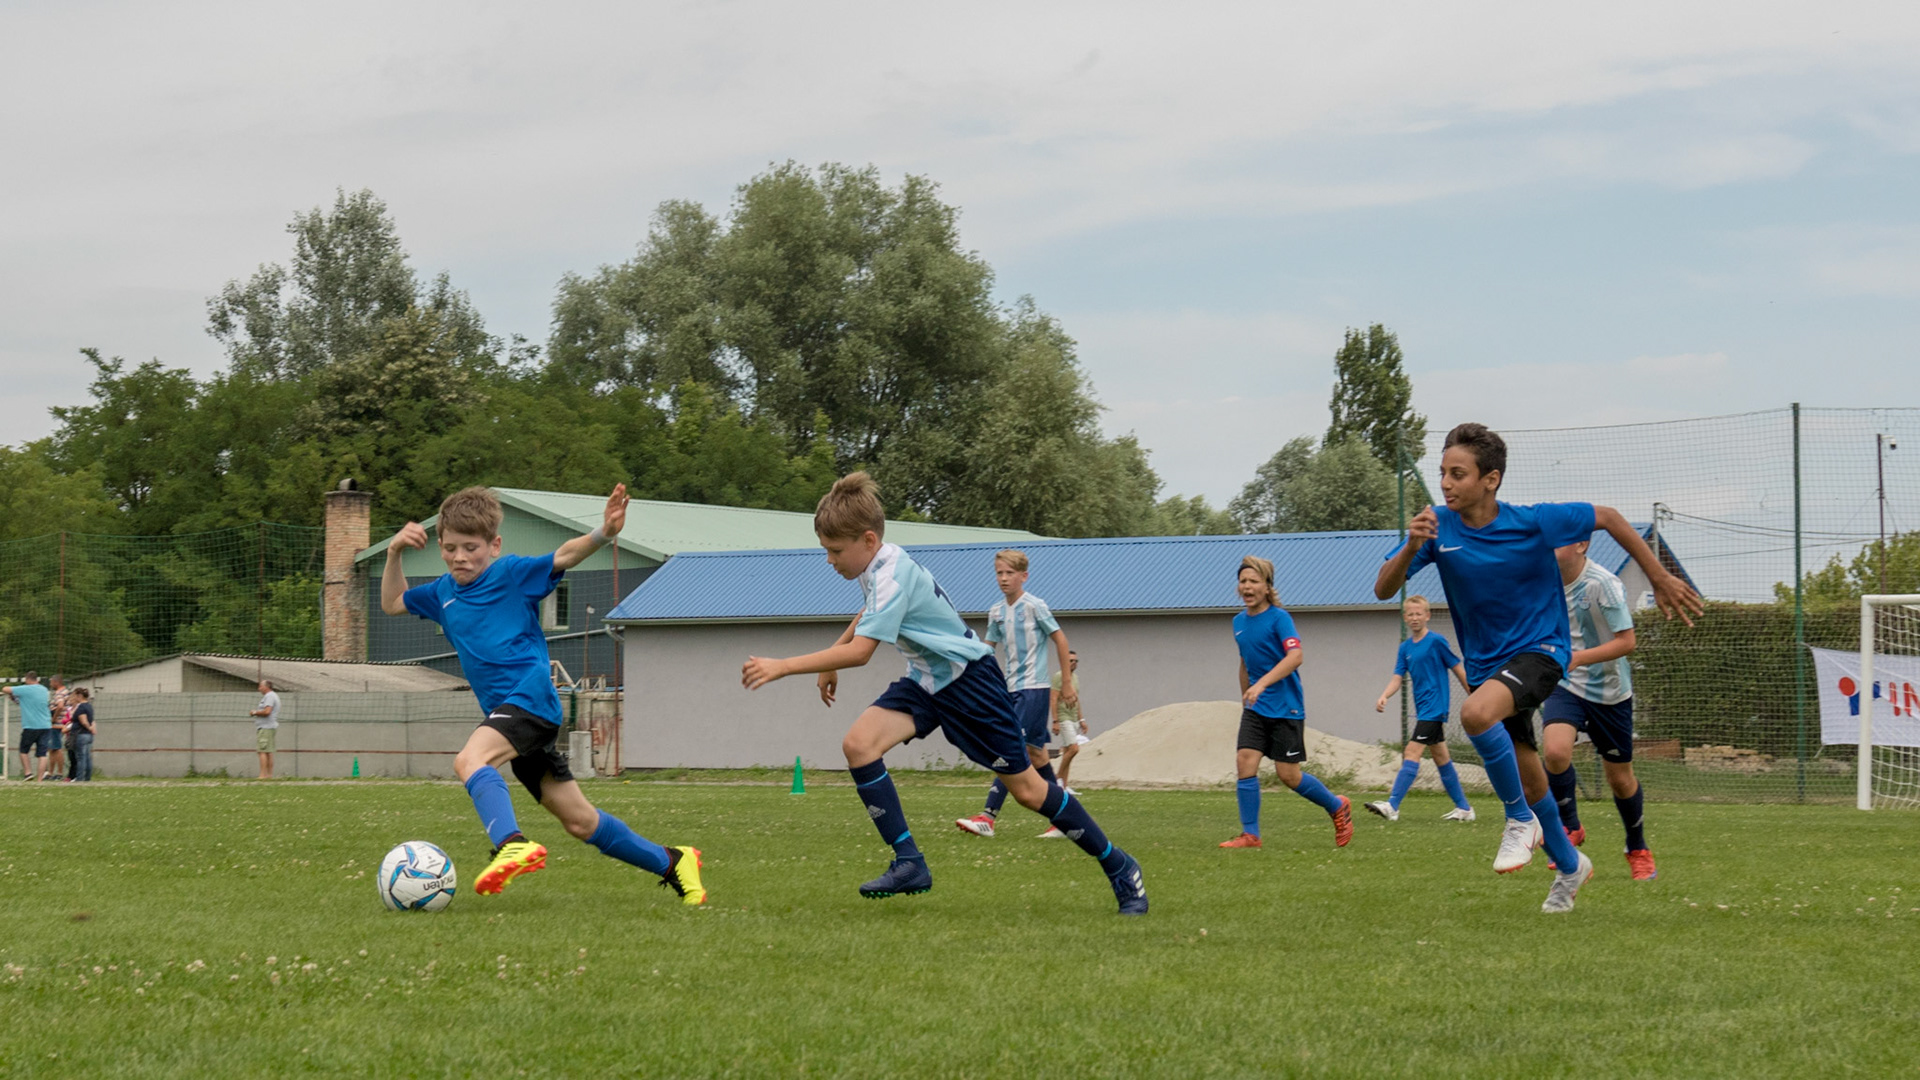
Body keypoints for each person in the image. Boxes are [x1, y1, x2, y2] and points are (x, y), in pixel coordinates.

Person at [741, 472, 1148, 915]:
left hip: (970, 684)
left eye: (835, 551)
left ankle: (1121, 866)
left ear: (869, 539)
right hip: (927, 681)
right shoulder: (878, 564)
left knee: (1031, 791)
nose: (830, 560)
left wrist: (784, 666)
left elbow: (863, 653)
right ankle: (910, 863)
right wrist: (835, 656)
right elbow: (869, 611)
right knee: (859, 744)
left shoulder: (890, 571)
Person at [1374, 423, 1699, 914]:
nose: (1445, 483)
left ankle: (1518, 822)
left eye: (1457, 474)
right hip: (1490, 665)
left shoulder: (1533, 522)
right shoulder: (1437, 528)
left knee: (1476, 716)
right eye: (1441, 473)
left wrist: (1658, 574)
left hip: (1542, 651)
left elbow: (1608, 517)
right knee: (1531, 776)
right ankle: (1571, 867)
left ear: (1491, 479)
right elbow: (1382, 588)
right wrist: (1411, 546)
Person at [382, 484, 707, 906]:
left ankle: (511, 844)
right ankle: (672, 861)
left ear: (494, 545)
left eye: (471, 547)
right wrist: (393, 554)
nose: (460, 557)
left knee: (469, 760)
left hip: (529, 701)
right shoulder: (441, 593)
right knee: (580, 822)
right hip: (514, 717)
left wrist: (604, 533)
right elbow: (391, 602)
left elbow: (564, 555)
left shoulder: (511, 574)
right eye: (449, 548)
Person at [1218, 556, 1355, 850]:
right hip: (1256, 709)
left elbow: (1296, 657)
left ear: (1267, 587)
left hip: (1286, 707)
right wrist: (1246, 695)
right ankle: (1251, 835)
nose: (1247, 587)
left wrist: (1262, 684)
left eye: (1254, 581)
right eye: (1243, 581)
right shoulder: (1238, 623)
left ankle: (1336, 806)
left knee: (1288, 775)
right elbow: (1245, 662)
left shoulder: (1280, 618)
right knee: (1245, 761)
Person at [1542, 539, 1657, 881]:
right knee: (1555, 751)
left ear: (1581, 545)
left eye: (1558, 540)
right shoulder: (1544, 579)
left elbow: (1627, 642)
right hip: (1567, 684)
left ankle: (1637, 847)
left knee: (1620, 780)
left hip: (1610, 692)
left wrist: (1578, 657)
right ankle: (1570, 826)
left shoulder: (1603, 584)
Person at [955, 550, 1076, 840]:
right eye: (999, 573)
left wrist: (1067, 682)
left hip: (1033, 689)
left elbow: (1060, 639)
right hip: (1010, 690)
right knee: (1036, 754)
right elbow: (987, 650)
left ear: (1024, 576)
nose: (1004, 578)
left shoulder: (1035, 606)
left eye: (1010, 573)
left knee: (1008, 748)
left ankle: (987, 816)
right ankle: (1065, 819)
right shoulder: (996, 611)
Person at [1366, 596, 1475, 822]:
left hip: (1435, 708)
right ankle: (1464, 808)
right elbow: (1398, 676)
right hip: (1423, 708)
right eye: (1410, 614)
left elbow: (1457, 668)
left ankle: (1392, 806)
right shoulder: (1405, 648)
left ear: (1427, 615)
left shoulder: (1437, 641)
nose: (1415, 618)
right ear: (1405, 618)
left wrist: (1475, 696)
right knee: (1440, 757)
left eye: (1419, 614)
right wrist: (1385, 695)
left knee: (1412, 752)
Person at [1050, 650, 1088, 795]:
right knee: (1074, 749)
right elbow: (1053, 699)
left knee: (1068, 751)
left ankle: (1064, 786)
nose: (1074, 663)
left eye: (1076, 661)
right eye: (1071, 660)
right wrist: (1055, 721)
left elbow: (1076, 699)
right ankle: (1058, 779)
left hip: (1073, 718)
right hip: (1063, 716)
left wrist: (1081, 719)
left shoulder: (1075, 678)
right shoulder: (1059, 677)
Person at [7, 672, 52, 781]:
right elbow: (29, 702)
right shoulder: (44, 690)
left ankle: (28, 773)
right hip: (46, 725)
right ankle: (40, 779)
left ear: (27, 679)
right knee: (42, 754)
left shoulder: (25, 689)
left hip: (31, 726)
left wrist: (14, 693)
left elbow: (6, 689)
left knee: (23, 750)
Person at [248, 679, 281, 780]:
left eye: (260, 686)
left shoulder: (269, 696)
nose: (259, 689)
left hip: (266, 727)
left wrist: (255, 712)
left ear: (266, 687)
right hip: (269, 727)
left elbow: (267, 712)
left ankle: (263, 775)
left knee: (262, 751)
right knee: (268, 751)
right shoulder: (273, 695)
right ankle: (269, 775)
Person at [65, 688, 95, 783]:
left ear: (80, 696)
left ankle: (80, 778)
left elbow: (83, 720)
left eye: (75, 695)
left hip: (80, 734)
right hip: (88, 735)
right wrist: (92, 729)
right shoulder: (89, 706)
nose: (74, 697)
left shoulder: (81, 707)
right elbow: (92, 721)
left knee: (80, 757)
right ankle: (87, 777)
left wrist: (89, 727)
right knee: (87, 756)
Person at [46, 677, 69, 780]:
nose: (51, 685)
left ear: (56, 682)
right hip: (60, 722)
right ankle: (50, 773)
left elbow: (60, 706)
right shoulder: (66, 691)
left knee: (57, 747)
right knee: (52, 748)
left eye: (51, 682)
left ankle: (59, 773)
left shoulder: (59, 693)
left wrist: (53, 718)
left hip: (57, 723)